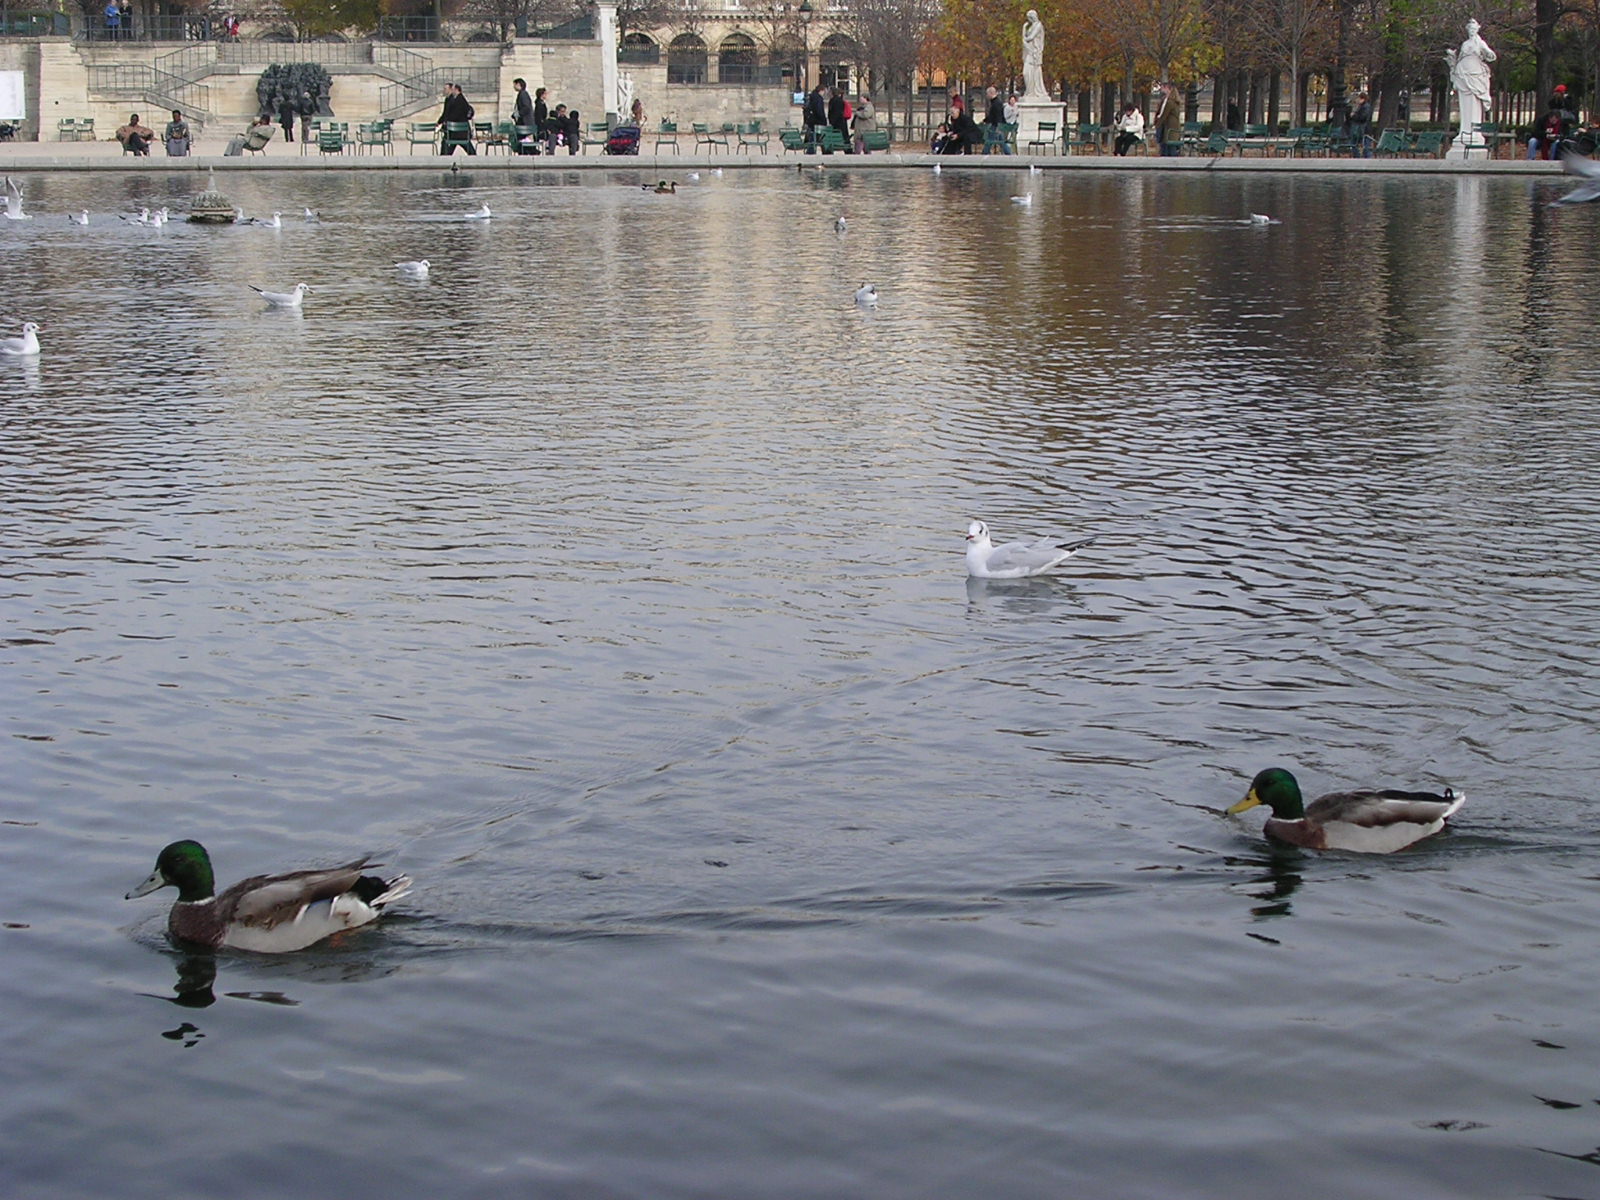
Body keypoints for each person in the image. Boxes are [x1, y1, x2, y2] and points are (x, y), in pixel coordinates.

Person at [1445, 18, 1495, 151]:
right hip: (1463, 73)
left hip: (1475, 74)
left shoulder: (1480, 43)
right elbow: (1461, 57)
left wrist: (1487, 52)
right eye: (1470, 29)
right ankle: (1464, 131)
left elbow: (1490, 55)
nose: (1471, 31)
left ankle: (1474, 133)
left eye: (1473, 29)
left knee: (1474, 103)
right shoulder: (1465, 44)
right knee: (1464, 104)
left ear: (1477, 29)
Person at [435, 82, 477, 156]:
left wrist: (445, 122)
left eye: (452, 89)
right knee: (449, 146)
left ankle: (443, 157)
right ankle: (444, 157)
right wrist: (440, 122)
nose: (444, 90)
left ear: (456, 90)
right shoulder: (450, 99)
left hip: (458, 131)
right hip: (456, 131)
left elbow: (454, 115)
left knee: (449, 145)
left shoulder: (459, 99)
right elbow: (446, 114)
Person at [1022, 10, 1046, 100]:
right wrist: (1024, 29)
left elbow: (1030, 37)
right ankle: (1030, 91)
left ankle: (1034, 91)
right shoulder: (1032, 26)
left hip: (1035, 52)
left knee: (1030, 71)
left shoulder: (1039, 25)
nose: (1028, 19)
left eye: (1029, 17)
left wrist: (1024, 38)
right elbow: (1026, 37)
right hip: (1030, 51)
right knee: (1026, 72)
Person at [1154, 82, 1182, 156]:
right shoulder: (1165, 100)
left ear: (1168, 89)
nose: (1161, 89)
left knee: (1170, 147)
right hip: (1165, 126)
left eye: (1164, 87)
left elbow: (1164, 114)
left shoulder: (1171, 102)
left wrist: (1157, 125)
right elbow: (1160, 112)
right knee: (1164, 145)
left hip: (1170, 126)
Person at [983, 85, 1012, 155]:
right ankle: (1008, 152)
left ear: (991, 93)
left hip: (996, 125)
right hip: (998, 124)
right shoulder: (997, 102)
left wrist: (987, 121)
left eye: (987, 94)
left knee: (990, 139)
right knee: (1000, 141)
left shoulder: (995, 103)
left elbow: (995, 116)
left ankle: (985, 152)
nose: (987, 95)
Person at [511, 77, 535, 154]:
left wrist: (518, 114)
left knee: (523, 140)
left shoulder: (523, 94)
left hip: (524, 121)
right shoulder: (522, 94)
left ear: (518, 84)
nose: (513, 87)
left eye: (514, 85)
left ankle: (527, 152)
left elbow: (526, 107)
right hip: (524, 121)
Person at [1347, 92, 1372, 157]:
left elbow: (1363, 117)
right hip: (1362, 128)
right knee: (1357, 143)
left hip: (1364, 128)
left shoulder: (1365, 106)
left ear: (1362, 99)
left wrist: (1353, 116)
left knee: (1365, 145)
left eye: (1358, 98)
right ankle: (1359, 155)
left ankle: (1364, 156)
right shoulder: (1362, 106)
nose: (1357, 100)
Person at [804, 83, 827, 151]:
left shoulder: (812, 97)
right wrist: (823, 119)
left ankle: (811, 149)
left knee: (813, 134)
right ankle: (823, 150)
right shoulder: (819, 98)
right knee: (819, 135)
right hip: (818, 120)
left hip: (812, 120)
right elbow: (819, 110)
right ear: (821, 90)